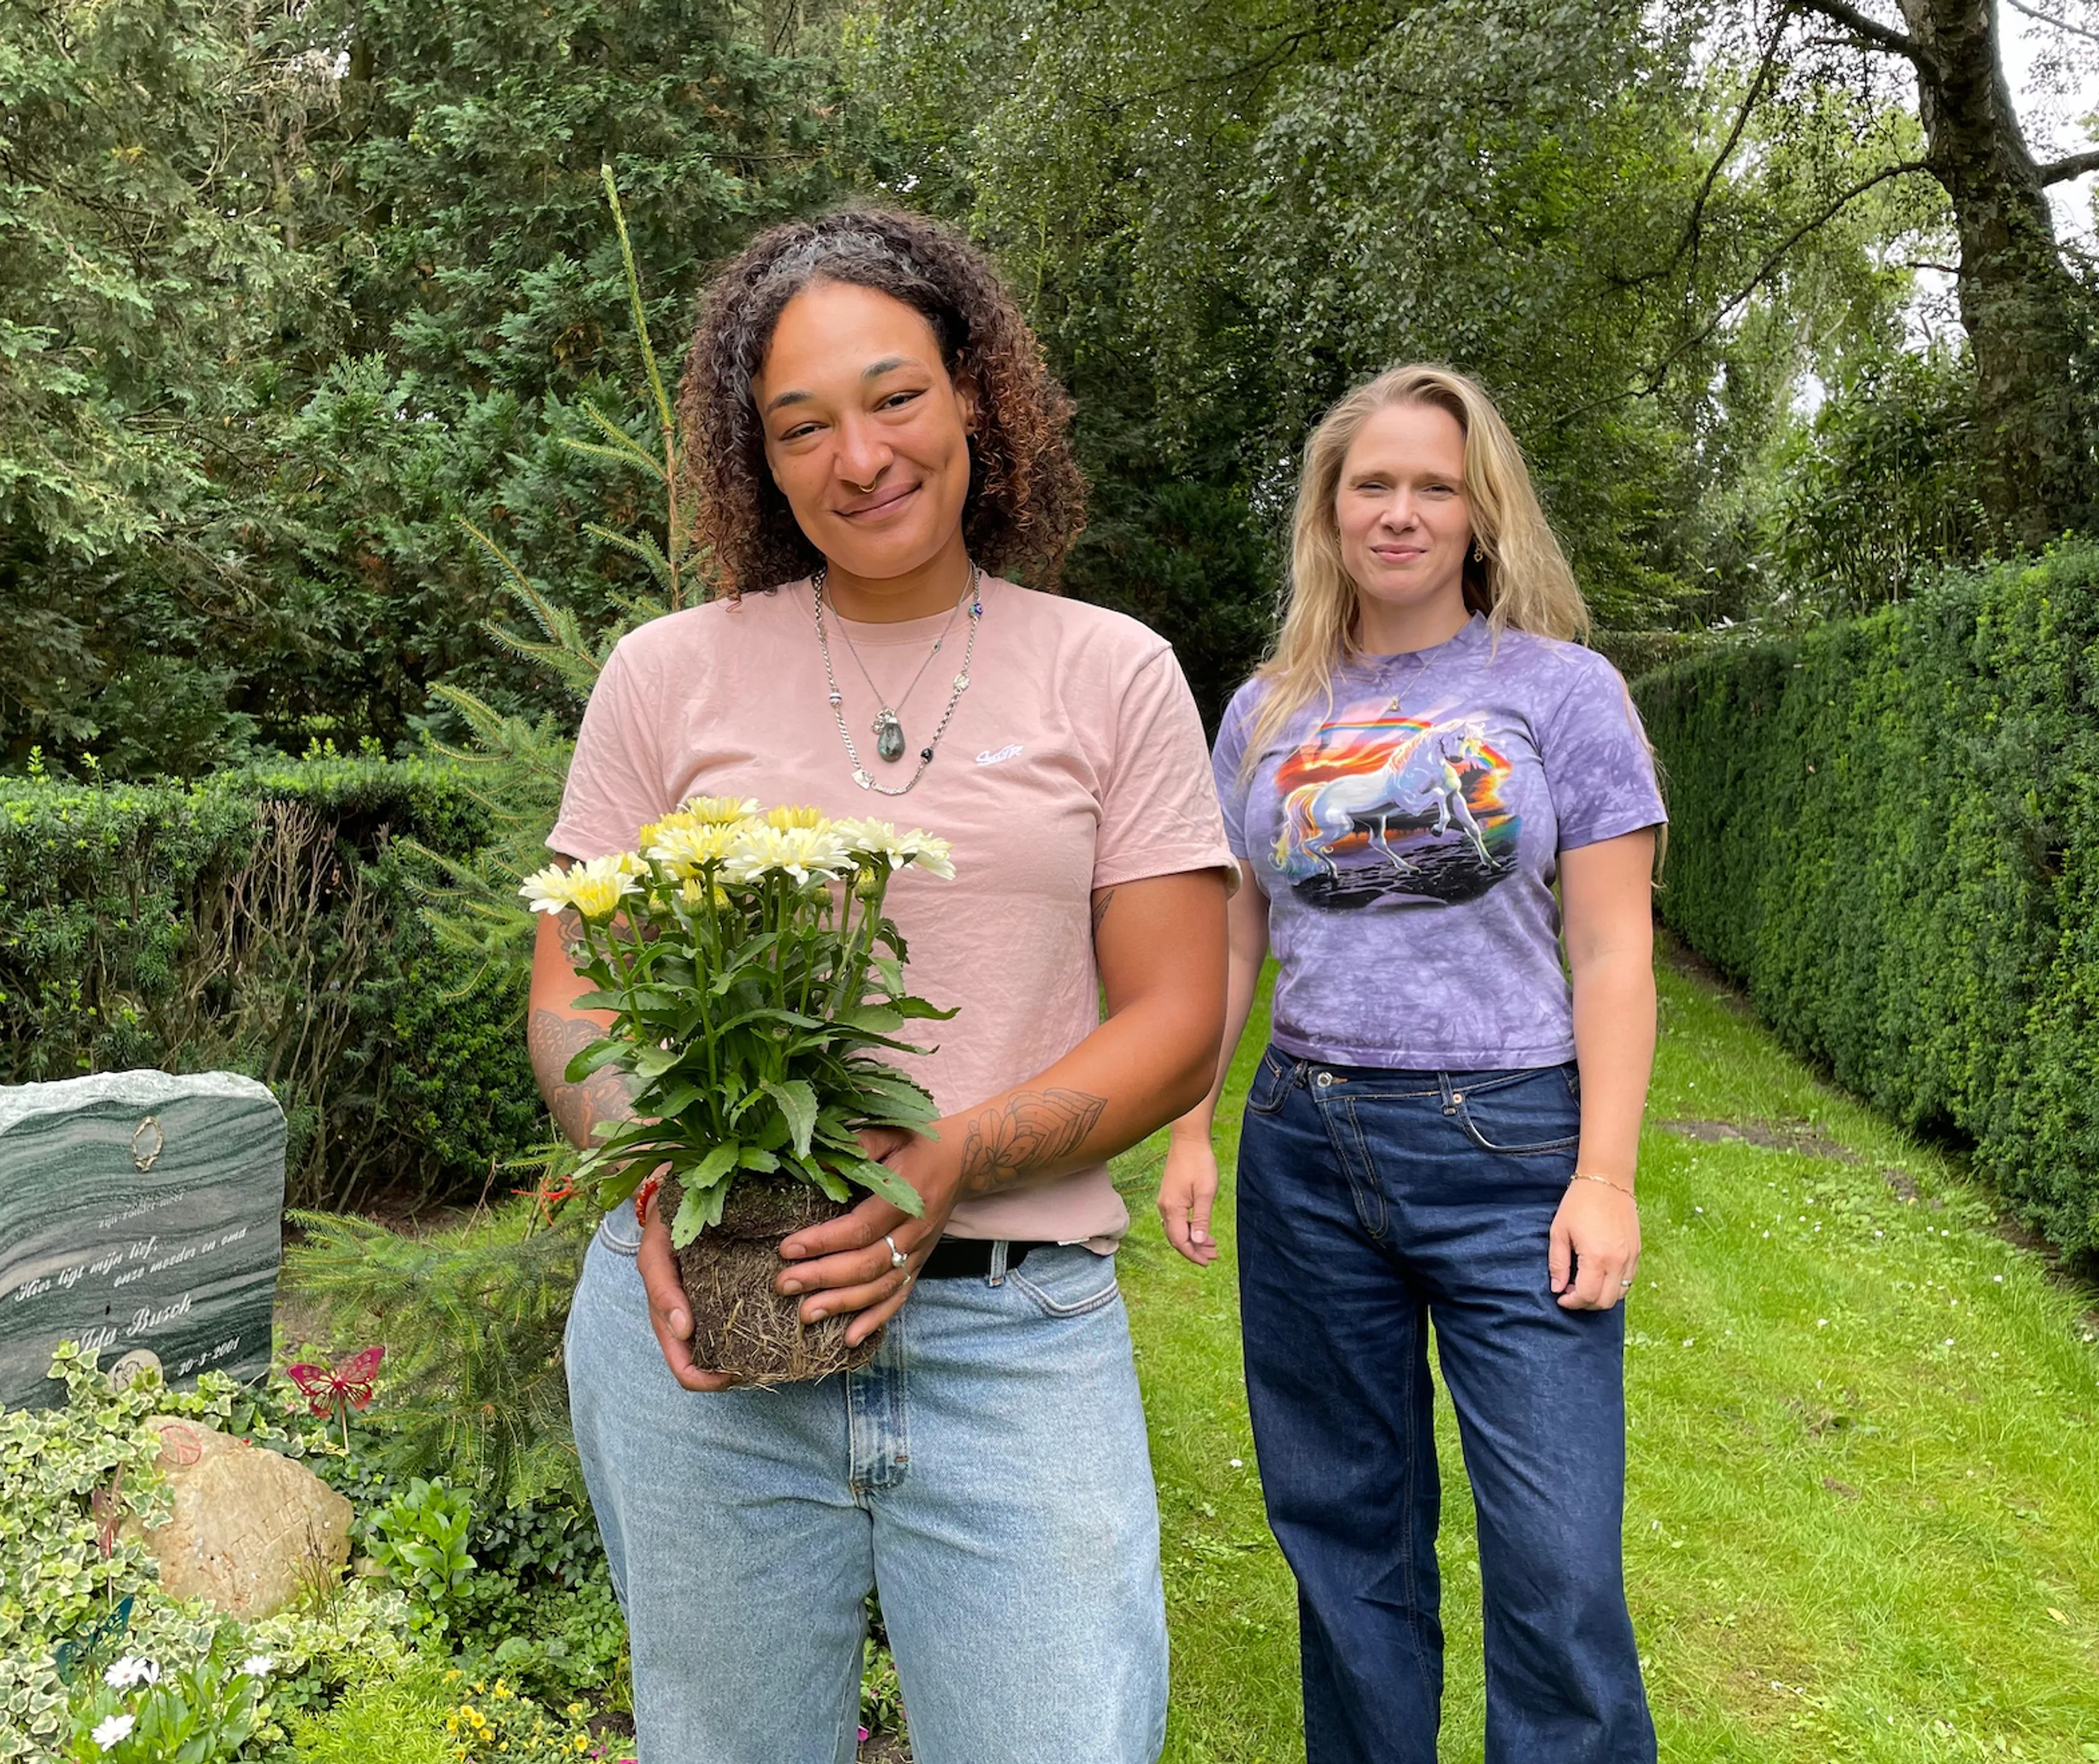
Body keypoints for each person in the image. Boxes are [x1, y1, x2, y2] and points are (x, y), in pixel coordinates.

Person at [530, 209, 1232, 1764]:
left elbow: (1181, 1018)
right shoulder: (669, 673)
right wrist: (654, 1177)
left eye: (895, 395)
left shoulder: (1108, 672)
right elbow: (572, 989)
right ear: (760, 462)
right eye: (803, 425)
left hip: (1013, 1336)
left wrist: (951, 1159)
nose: (861, 455)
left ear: (976, 390)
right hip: (711, 1349)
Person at [1159, 363, 1664, 1762]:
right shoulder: (1265, 709)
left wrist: (1605, 1177)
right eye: (1371, 485)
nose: (1401, 512)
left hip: (1510, 1153)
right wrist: (1194, 1124)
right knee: (1345, 1540)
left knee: (1558, 1564)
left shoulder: (1561, 693)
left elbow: (1614, 953)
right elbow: (1232, 937)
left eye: (1433, 486)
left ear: (1480, 511)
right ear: (1328, 513)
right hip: (1307, 1153)